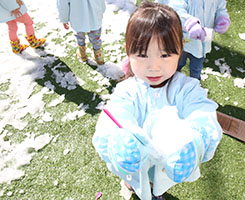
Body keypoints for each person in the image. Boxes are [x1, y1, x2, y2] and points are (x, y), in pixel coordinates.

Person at [93, 2, 222, 200]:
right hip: (136, 161)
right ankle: (130, 183)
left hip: (166, 165)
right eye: (143, 55)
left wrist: (196, 141)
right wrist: (118, 141)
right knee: (137, 178)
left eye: (164, 55)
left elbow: (202, 112)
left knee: (156, 184)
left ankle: (156, 191)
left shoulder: (184, 88)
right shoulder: (128, 90)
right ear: (128, 51)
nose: (154, 67)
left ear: (180, 50)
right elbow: (115, 115)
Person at [155, 0, 230, 80]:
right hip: (183, 39)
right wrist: (189, 23)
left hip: (202, 42)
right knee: (178, 63)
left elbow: (220, 7)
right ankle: (172, 81)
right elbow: (176, 9)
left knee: (196, 67)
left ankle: (195, 83)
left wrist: (222, 18)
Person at [56, 0, 106, 65]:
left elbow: (63, 5)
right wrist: (101, 9)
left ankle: (83, 54)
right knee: (95, 38)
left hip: (78, 19)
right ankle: (98, 56)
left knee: (80, 36)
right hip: (94, 16)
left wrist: (64, 19)